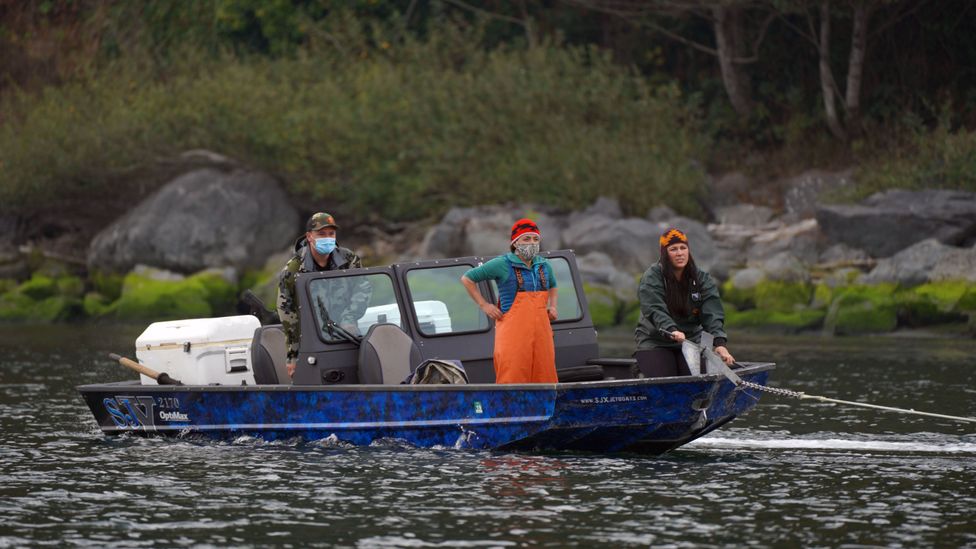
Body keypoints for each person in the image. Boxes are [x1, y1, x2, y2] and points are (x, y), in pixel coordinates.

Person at [461, 218, 559, 384]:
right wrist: (484, 305)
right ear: (515, 242)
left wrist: (553, 306)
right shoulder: (502, 264)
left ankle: (545, 410)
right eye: (526, 239)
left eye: (535, 239)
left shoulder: (544, 266)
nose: (532, 243)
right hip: (513, 335)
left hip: (542, 333)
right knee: (512, 376)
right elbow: (467, 279)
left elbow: (553, 285)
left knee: (545, 376)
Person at [277, 212, 368, 378]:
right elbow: (287, 313)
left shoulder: (349, 259)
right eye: (321, 234)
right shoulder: (293, 270)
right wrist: (293, 354)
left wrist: (349, 318)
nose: (327, 238)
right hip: (313, 339)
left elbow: (362, 288)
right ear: (309, 236)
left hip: (348, 334)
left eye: (331, 234)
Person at [634, 227, 735, 377]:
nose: (680, 253)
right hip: (655, 341)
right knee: (665, 379)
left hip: (690, 341)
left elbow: (712, 313)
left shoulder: (702, 278)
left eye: (683, 248)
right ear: (664, 254)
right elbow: (654, 309)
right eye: (673, 249)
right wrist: (671, 329)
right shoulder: (652, 277)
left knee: (701, 378)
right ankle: (639, 370)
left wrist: (720, 344)